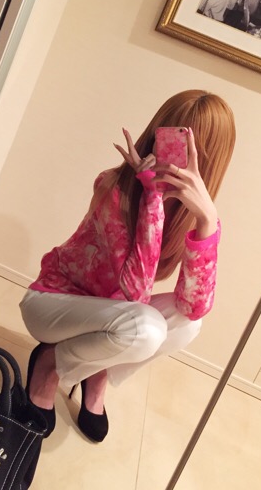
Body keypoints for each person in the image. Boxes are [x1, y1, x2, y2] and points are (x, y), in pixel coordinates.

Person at [19, 90, 236, 442]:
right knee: (145, 329)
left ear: (210, 160)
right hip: (53, 304)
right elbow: (134, 292)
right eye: (174, 140)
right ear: (157, 134)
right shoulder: (113, 186)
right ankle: (49, 364)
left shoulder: (197, 217)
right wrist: (152, 196)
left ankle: (97, 372)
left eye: (192, 151)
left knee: (187, 323)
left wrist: (207, 221)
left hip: (111, 316)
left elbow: (193, 306)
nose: (178, 159)